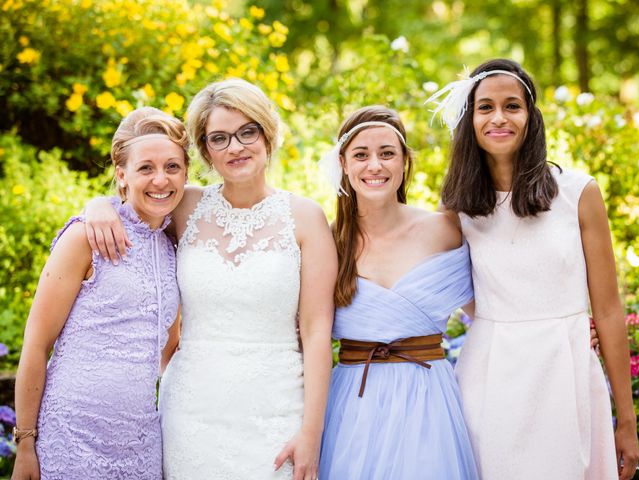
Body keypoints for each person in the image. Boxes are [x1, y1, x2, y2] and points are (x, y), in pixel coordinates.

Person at [82, 79, 337, 480]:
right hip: (191, 413)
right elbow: (132, 198)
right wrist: (96, 206)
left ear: (267, 134)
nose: (235, 147)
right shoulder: (185, 207)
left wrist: (312, 430)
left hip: (276, 409)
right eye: (219, 138)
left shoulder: (305, 217)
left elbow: (318, 330)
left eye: (246, 132)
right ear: (205, 150)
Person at [428, 58, 639, 480]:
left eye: (512, 106)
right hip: (490, 375)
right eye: (485, 107)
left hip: (567, 371)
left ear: (530, 117)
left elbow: (611, 311)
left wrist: (627, 420)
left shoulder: (578, 193)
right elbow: (454, 289)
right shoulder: (457, 207)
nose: (499, 117)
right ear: (470, 120)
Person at [11, 107, 188, 479]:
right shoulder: (84, 237)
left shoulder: (175, 245)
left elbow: (169, 349)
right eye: (145, 168)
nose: (161, 179)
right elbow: (36, 343)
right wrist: (25, 444)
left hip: (141, 441)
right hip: (72, 436)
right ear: (121, 175)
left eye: (172, 167)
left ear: (186, 173)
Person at [317, 105, 479, 479]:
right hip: (353, 403)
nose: (375, 165)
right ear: (343, 163)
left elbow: (487, 311)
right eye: (361, 155)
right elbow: (305, 332)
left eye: (387, 153)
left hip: (428, 399)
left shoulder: (444, 230)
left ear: (404, 162)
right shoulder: (328, 241)